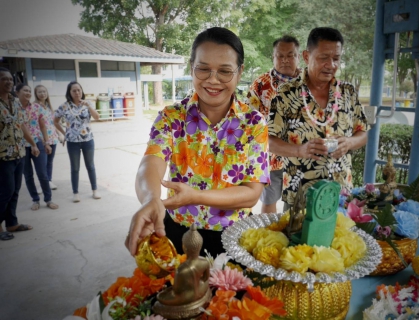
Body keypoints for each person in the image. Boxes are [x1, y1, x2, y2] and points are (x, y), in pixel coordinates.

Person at [126, 27, 270, 257]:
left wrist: (195, 196)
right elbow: (151, 162)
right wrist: (151, 199)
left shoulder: (253, 123)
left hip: (235, 236)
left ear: (240, 72)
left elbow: (252, 193)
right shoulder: (171, 117)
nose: (213, 80)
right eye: (203, 69)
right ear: (191, 67)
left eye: (224, 71)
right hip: (176, 231)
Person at [268, 27, 370, 210]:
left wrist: (349, 142)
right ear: (307, 57)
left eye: (336, 58)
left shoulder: (348, 92)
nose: (331, 65)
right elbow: (268, 140)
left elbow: (363, 133)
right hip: (299, 197)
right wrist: (300, 150)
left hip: (341, 196)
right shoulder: (286, 94)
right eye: (323, 58)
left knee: (342, 239)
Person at [247, 35, 301, 214]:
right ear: (273, 57)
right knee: (269, 202)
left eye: (290, 55)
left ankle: (291, 240)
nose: (285, 60)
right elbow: (249, 121)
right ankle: (268, 239)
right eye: (280, 55)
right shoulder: (260, 85)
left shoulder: (309, 83)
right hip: (270, 158)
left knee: (296, 205)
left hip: (301, 158)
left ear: (299, 57)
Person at [0, 67, 39, 240]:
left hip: (19, 153)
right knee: (5, 191)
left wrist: (33, 144)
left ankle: (12, 223)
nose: (8, 81)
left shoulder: (14, 101)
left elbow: (21, 125)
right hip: (2, 156)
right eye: (3, 79)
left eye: (10, 79)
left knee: (15, 189)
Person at [54, 81, 101, 203]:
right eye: (74, 90)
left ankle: (95, 190)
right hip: (72, 142)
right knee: (75, 168)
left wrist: (89, 106)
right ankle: (75, 193)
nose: (77, 92)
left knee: (90, 166)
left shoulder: (87, 103)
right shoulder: (64, 106)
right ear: (69, 92)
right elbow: (55, 121)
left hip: (88, 140)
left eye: (78, 90)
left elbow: (97, 117)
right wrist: (64, 134)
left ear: (82, 91)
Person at [16, 83, 59, 210]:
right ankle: (35, 200)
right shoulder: (14, 108)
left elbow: (42, 126)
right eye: (25, 91)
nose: (28, 93)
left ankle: (48, 199)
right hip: (22, 145)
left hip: (38, 142)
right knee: (28, 175)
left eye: (29, 91)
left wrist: (46, 142)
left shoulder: (36, 107)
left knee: (42, 173)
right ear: (17, 92)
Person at [34, 85, 62, 191]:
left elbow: (53, 123)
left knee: (50, 161)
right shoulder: (35, 106)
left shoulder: (48, 106)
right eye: (40, 92)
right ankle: (42, 184)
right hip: (41, 139)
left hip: (53, 138)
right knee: (42, 163)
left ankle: (49, 181)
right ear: (36, 94)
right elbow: (35, 125)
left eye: (44, 91)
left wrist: (59, 134)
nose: (42, 94)